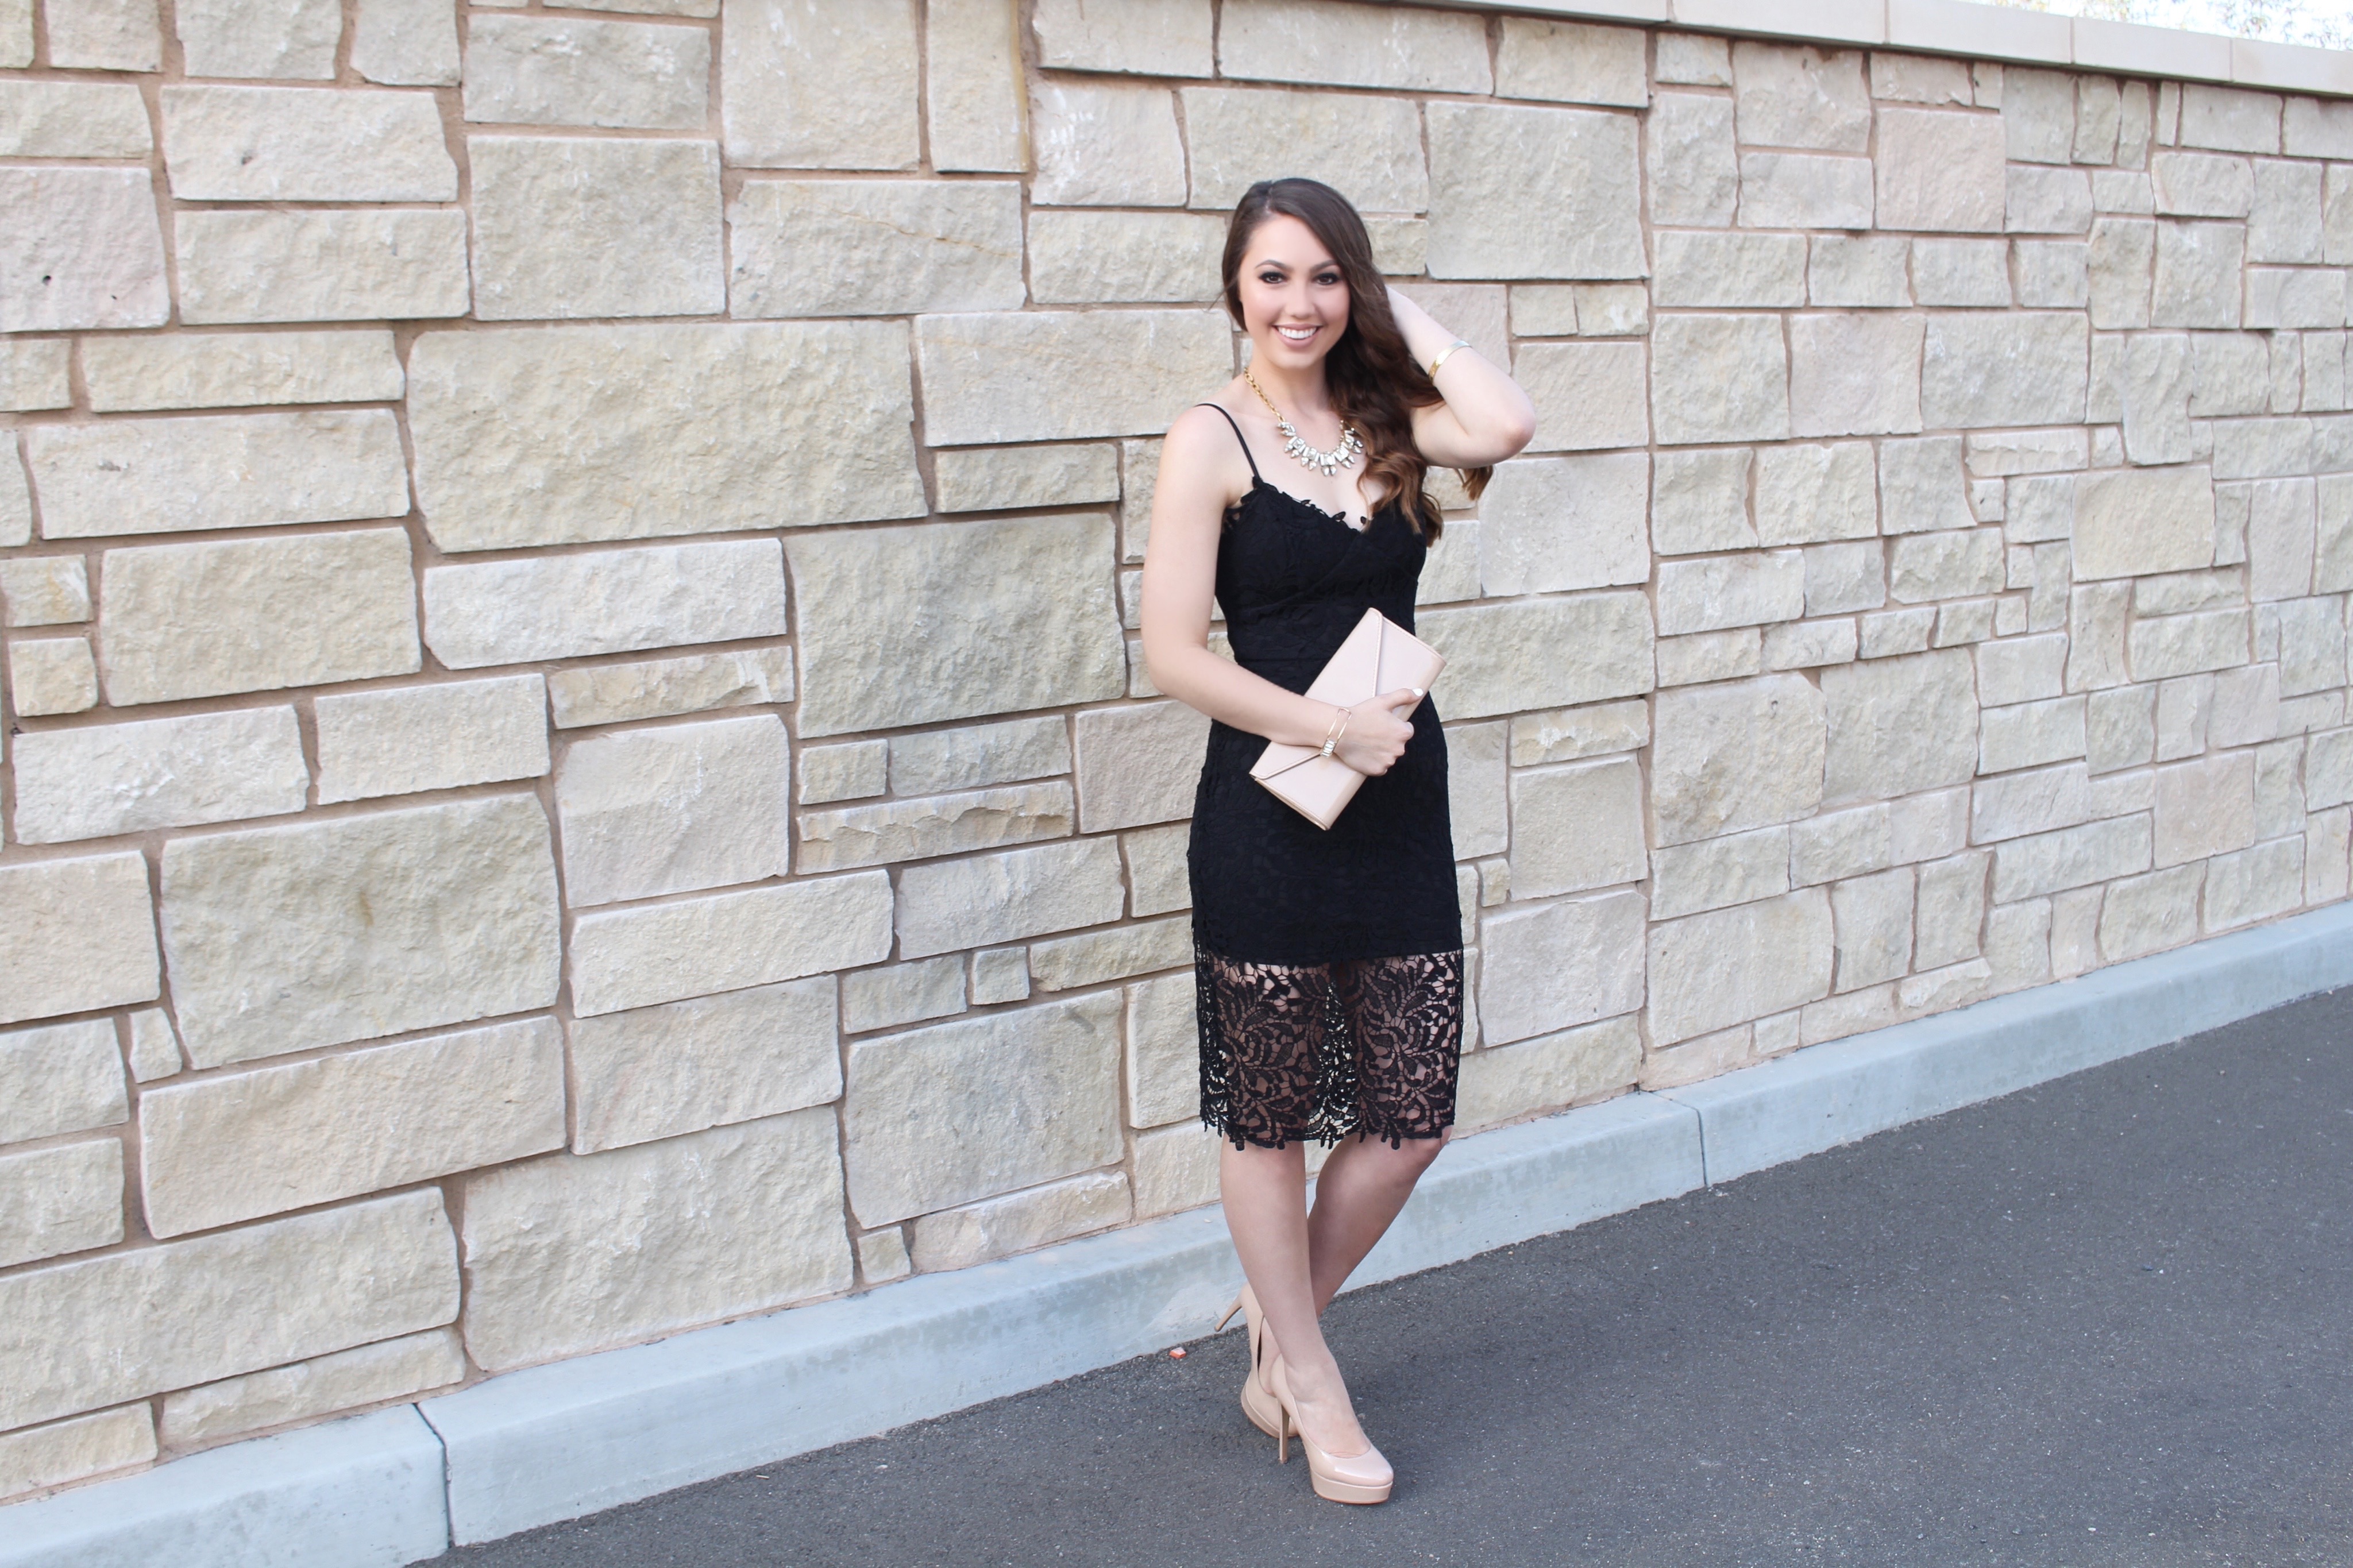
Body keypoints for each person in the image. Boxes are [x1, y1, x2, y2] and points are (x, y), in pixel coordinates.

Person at [1138, 177, 1537, 1504]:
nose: (1297, 304)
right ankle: (1308, 1382)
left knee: (1409, 1118)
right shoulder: (1208, 440)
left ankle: (1275, 1327)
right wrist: (1324, 728)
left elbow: (1507, 421)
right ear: (1232, 290)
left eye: (1324, 277)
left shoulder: (1387, 426)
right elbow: (1168, 653)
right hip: (1267, 816)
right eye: (1272, 278)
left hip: (1397, 812)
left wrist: (1399, 315)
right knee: (1264, 1119)